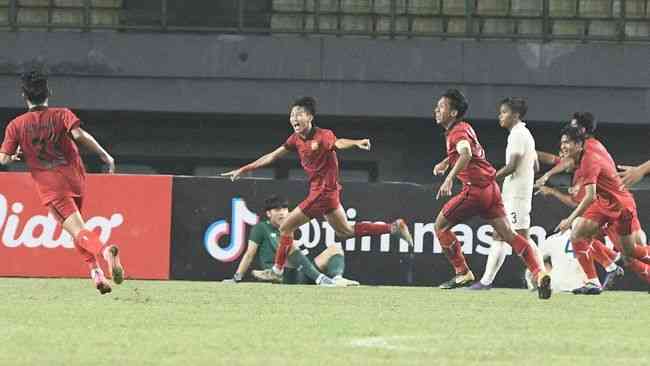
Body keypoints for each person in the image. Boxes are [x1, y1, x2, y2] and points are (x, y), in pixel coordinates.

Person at [222, 97, 413, 284]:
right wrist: (244, 169)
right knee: (345, 231)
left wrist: (355, 142)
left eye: (299, 114)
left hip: (322, 192)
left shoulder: (323, 135)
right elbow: (272, 156)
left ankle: (277, 270)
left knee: (286, 227)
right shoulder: (295, 139)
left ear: (310, 117)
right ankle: (394, 227)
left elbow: (338, 143)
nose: (294, 118)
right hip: (329, 194)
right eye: (292, 115)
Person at [0, 69, 124, 295]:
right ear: (48, 92)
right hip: (76, 178)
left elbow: (4, 159)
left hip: (51, 187)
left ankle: (105, 253)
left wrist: (16, 152)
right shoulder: (62, 114)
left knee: (78, 231)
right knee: (77, 229)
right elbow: (79, 136)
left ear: (23, 96)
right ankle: (95, 273)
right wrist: (104, 155)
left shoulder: (16, 125)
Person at [431, 89, 551, 299]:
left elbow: (466, 153)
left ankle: (462, 272)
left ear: (453, 112)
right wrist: (445, 161)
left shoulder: (458, 132)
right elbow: (470, 152)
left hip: (476, 190)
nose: (437, 110)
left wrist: (449, 178)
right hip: (492, 190)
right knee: (509, 236)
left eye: (442, 106)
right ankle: (539, 273)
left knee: (440, 226)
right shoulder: (464, 127)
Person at [549, 125, 650, 294]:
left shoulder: (589, 160)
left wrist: (569, 219)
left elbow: (589, 197)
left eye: (567, 143)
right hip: (604, 205)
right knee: (578, 233)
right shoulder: (581, 158)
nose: (563, 146)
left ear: (580, 144)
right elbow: (557, 161)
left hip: (621, 207)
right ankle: (593, 281)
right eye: (562, 143)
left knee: (630, 252)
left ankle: (611, 265)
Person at [469, 97, 544, 290]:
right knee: (503, 235)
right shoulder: (526, 134)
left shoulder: (518, 134)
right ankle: (541, 276)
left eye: (504, 112)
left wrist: (489, 177)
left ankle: (540, 276)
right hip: (517, 193)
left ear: (516, 115)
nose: (500, 115)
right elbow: (535, 165)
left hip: (516, 196)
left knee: (516, 237)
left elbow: (512, 166)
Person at [222, 195, 359, 286]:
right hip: (280, 276)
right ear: (268, 213)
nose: (282, 212)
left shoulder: (290, 227)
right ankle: (321, 279)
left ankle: (337, 279)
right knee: (289, 246)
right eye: (277, 209)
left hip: (301, 273)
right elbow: (249, 254)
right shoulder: (261, 228)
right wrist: (237, 278)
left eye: (284, 209)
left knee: (335, 248)